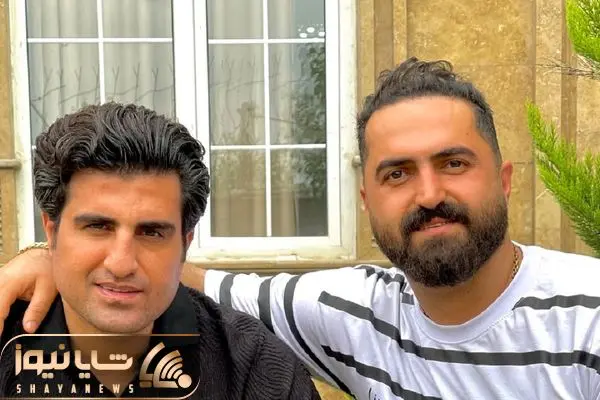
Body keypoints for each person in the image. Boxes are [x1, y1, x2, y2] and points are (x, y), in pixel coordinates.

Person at [2, 58, 600, 399]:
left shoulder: (589, 316)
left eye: (454, 164)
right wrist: (47, 257)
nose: (428, 194)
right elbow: (169, 273)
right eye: (397, 173)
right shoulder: (348, 311)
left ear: (504, 179)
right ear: (367, 200)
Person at [0, 103, 320, 399]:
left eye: (151, 232)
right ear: (51, 232)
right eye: (98, 227)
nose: (121, 264)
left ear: (184, 245)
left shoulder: (258, 370)